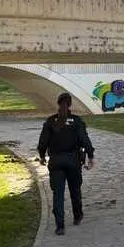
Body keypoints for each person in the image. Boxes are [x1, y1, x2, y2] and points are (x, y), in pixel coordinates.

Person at [38, 92, 95, 235]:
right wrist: (90, 155)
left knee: (58, 193)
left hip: (56, 161)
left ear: (58, 104)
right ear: (70, 105)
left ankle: (60, 225)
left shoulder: (51, 121)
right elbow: (84, 139)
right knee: (75, 189)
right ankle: (77, 216)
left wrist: (42, 156)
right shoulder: (76, 121)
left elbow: (43, 142)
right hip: (73, 160)